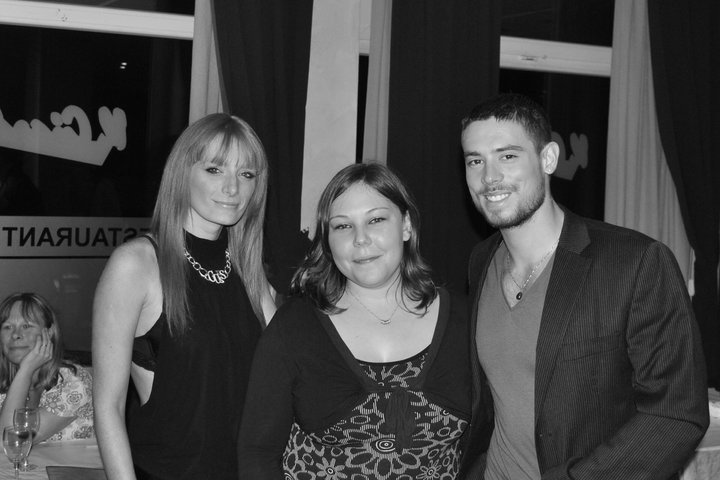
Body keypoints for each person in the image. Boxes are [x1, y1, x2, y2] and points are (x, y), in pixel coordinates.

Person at [458, 93, 709, 480]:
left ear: (548, 159)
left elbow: (675, 414)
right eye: (475, 160)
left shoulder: (636, 262)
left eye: (507, 156)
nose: (489, 177)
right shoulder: (481, 260)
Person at [238, 163, 472, 479]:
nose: (361, 239)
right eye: (343, 226)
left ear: (405, 226)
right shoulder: (294, 326)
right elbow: (257, 454)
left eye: (376, 220)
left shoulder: (465, 319)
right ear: (327, 239)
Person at [92, 113, 276, 480]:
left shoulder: (249, 270)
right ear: (182, 173)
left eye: (246, 174)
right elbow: (107, 407)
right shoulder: (137, 264)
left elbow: (286, 376)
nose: (232, 187)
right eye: (214, 169)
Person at [0, 292, 93, 442]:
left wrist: (26, 370)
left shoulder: (74, 382)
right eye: (7, 327)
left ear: (49, 333)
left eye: (26, 326)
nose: (16, 334)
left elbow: (12, 441)